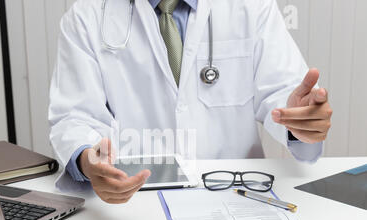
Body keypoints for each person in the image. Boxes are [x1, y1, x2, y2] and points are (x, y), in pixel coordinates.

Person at [49, 0, 333, 204]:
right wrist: (88, 161)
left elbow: (284, 96)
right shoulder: (86, 16)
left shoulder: (251, 7)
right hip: (133, 203)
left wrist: (302, 121)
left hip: (234, 197)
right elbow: (75, 118)